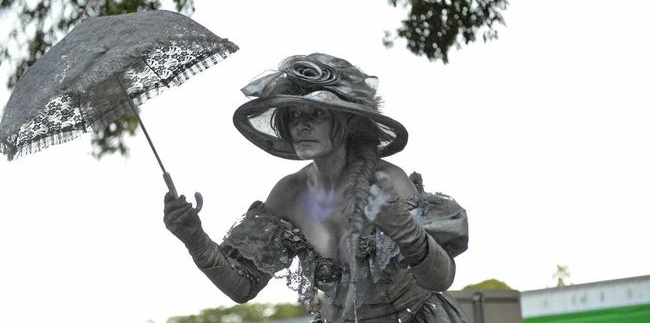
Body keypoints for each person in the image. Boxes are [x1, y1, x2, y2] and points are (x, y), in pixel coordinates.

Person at [163, 53, 469, 323]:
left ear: (347, 121)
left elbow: (440, 278)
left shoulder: (387, 181)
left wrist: (406, 231)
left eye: (317, 113)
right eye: (294, 114)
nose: (301, 125)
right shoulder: (288, 194)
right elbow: (243, 287)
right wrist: (194, 239)